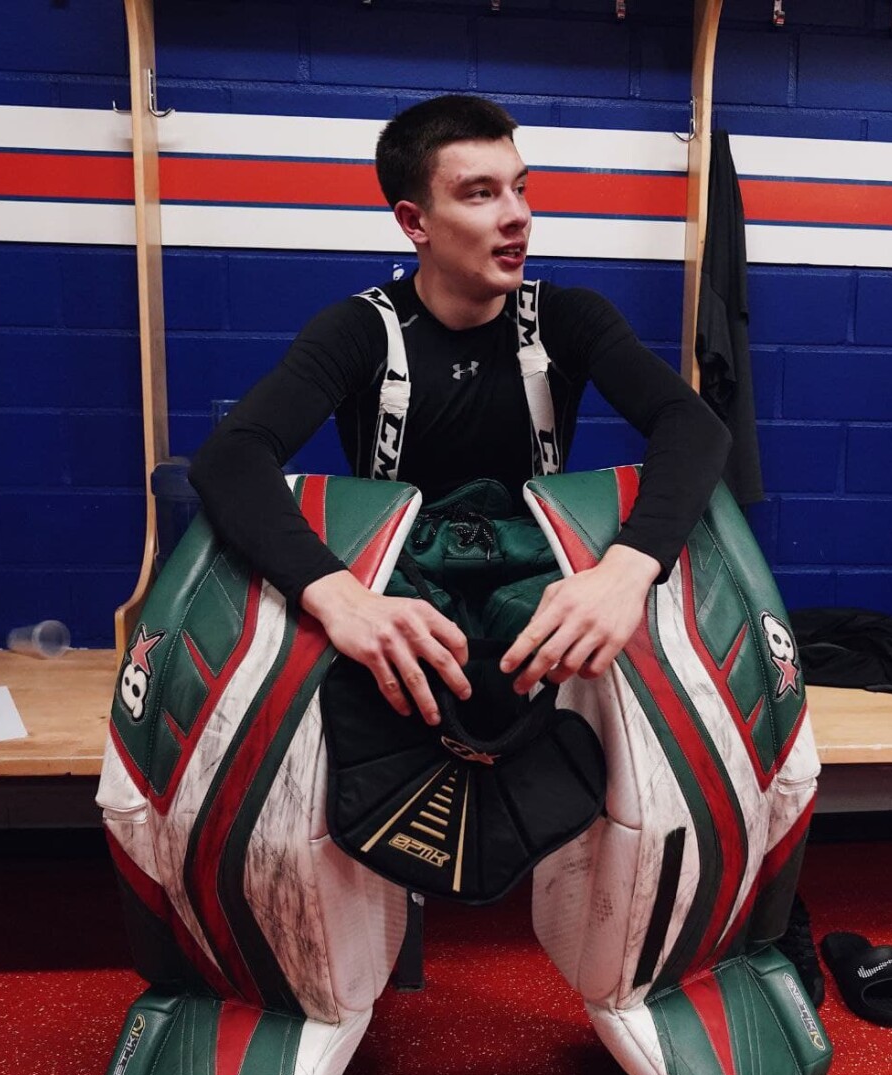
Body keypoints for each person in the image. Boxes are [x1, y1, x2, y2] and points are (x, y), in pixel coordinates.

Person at [189, 94, 730, 728]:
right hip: (406, 596)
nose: (518, 215)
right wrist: (338, 599)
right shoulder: (360, 330)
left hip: (533, 592)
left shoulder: (566, 319)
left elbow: (693, 425)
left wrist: (626, 571)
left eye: (520, 188)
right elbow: (231, 457)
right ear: (414, 222)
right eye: (481, 194)